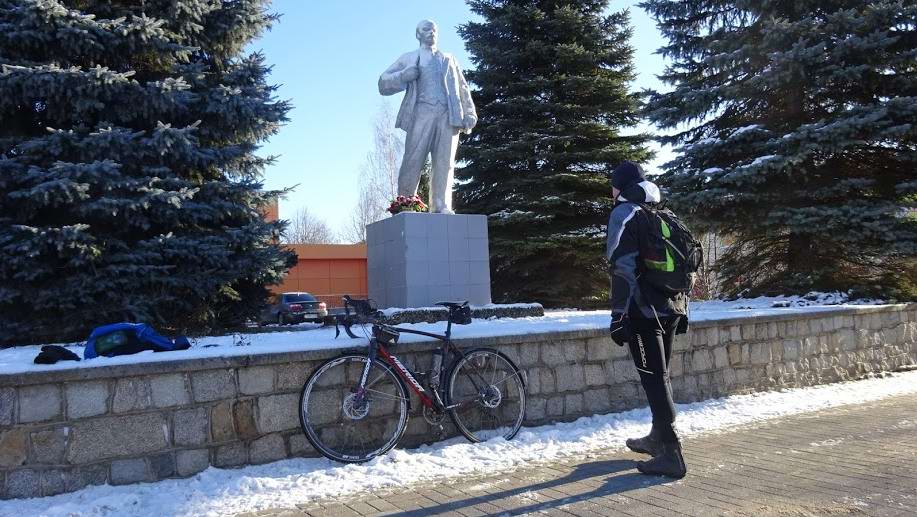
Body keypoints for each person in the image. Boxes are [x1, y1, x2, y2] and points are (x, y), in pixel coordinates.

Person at [606, 161, 688, 479]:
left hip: (642, 311)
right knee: (661, 375)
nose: (610, 191)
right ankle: (657, 438)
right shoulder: (662, 212)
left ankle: (672, 454)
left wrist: (618, 315)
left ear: (622, 186)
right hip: (670, 307)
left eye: (613, 185)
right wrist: (682, 310)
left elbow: (622, 267)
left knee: (653, 379)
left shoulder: (624, 213)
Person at [378, 20, 477, 214]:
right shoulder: (409, 58)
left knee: (445, 163)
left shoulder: (449, 59)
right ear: (418, 34)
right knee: (413, 158)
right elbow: (382, 83)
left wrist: (470, 111)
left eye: (434, 30)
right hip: (421, 113)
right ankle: (405, 203)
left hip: (448, 116)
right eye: (426, 29)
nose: (431, 33)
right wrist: (403, 76)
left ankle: (441, 204)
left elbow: (463, 87)